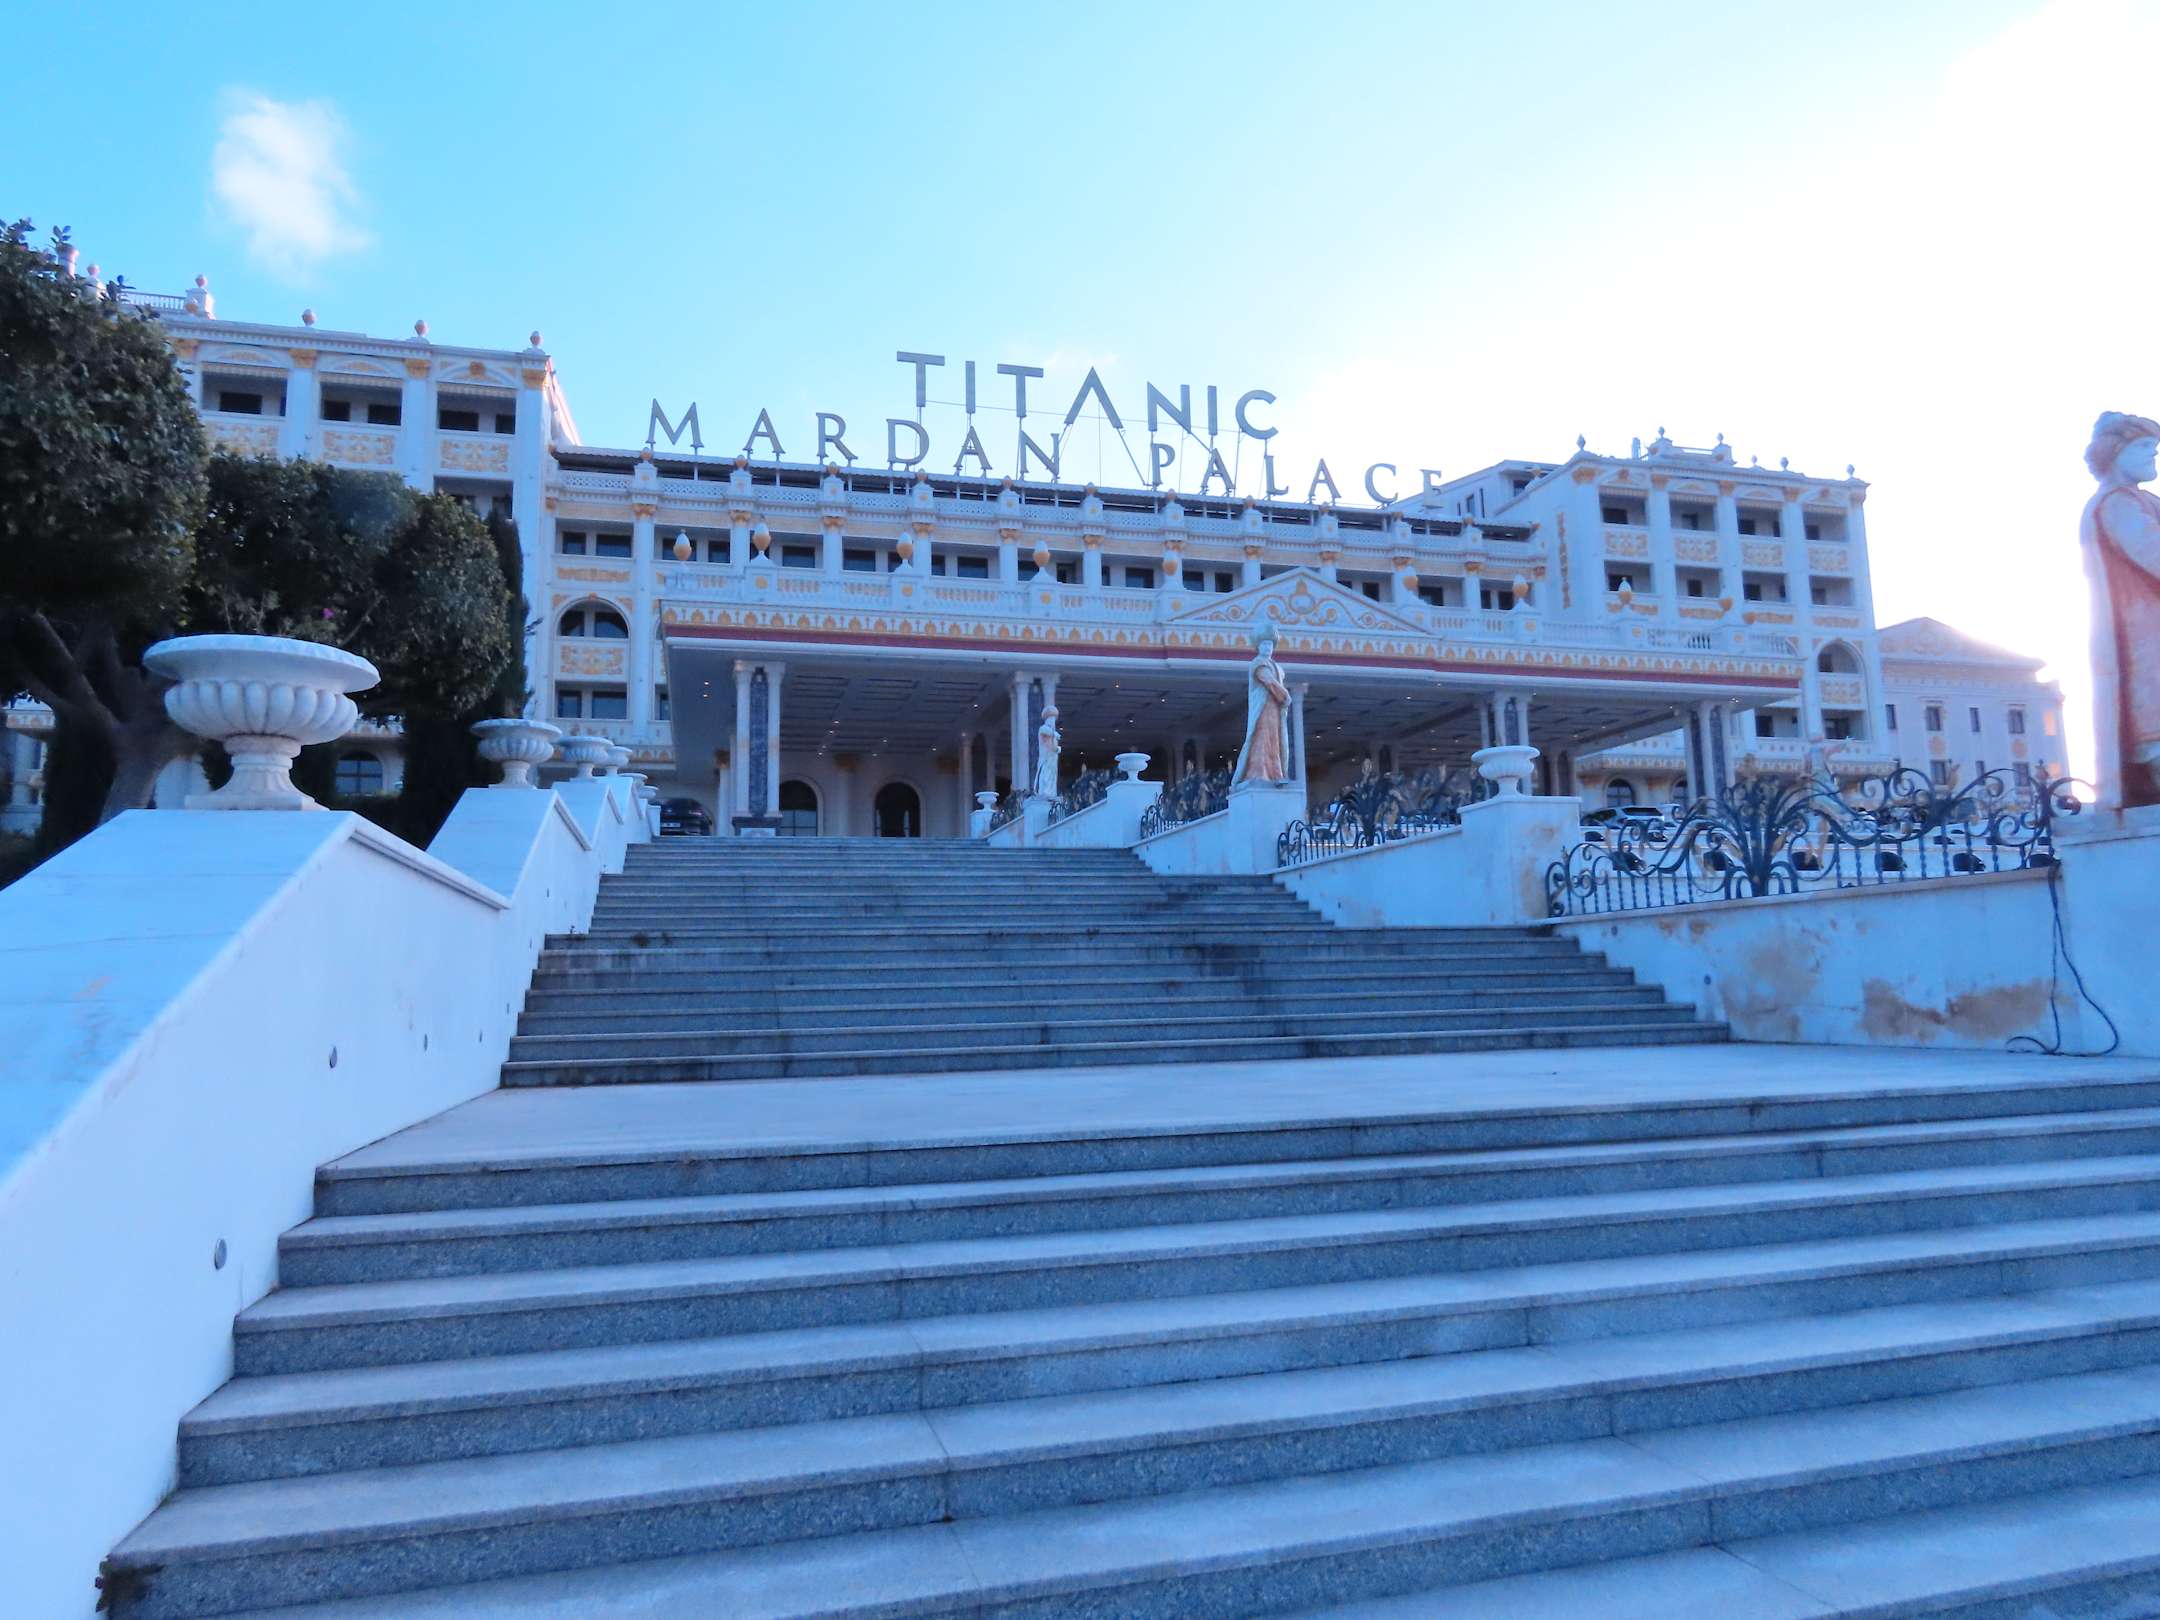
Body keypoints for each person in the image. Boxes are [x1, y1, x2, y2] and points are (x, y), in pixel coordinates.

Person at [2079, 411, 2160, 809]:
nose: (2153, 455)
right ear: (2115, 452)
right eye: (2144, 447)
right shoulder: (2117, 505)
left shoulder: (2142, 501)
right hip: (2143, 635)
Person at [1233, 624, 1292, 784]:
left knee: (1275, 741)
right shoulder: (1258, 663)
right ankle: (1258, 773)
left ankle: (1276, 774)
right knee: (1262, 739)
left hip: (1274, 709)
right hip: (1262, 709)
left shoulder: (1275, 666)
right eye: (1264, 644)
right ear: (1258, 646)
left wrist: (1283, 698)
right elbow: (1269, 681)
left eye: (1270, 644)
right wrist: (1285, 696)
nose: (1267, 647)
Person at [1031, 705, 1061, 800]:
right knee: (1045, 777)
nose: (1053, 722)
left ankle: (1051, 795)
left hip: (1052, 759)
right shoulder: (1043, 729)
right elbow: (1049, 733)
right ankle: (1045, 794)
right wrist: (1055, 734)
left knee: (1052, 777)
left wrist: (1057, 748)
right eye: (1051, 719)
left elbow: (1054, 747)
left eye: (1054, 719)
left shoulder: (1053, 733)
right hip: (1045, 759)